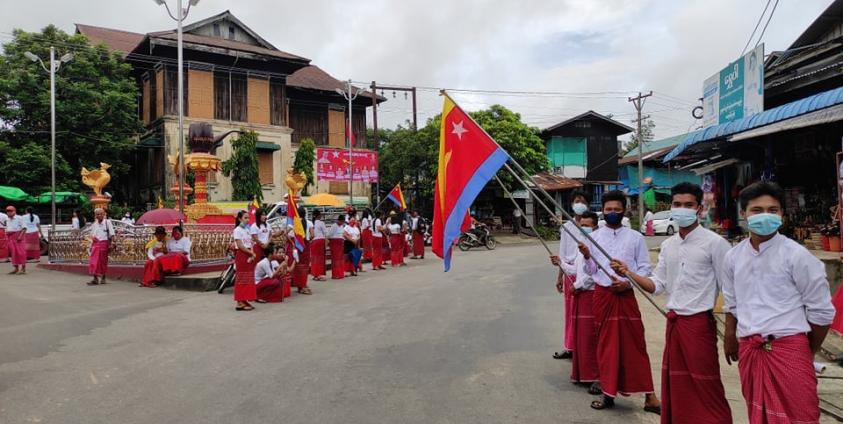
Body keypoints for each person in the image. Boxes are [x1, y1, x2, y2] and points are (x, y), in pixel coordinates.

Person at [611, 183, 732, 423]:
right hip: (674, 323)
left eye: (689, 205)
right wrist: (629, 273)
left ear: (699, 208)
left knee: (706, 383)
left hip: (699, 324)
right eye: (677, 205)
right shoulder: (668, 245)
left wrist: (731, 333)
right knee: (678, 384)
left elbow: (730, 291)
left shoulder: (715, 244)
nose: (682, 209)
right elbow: (657, 285)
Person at [722, 182, 835, 424]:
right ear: (743, 214)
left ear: (782, 214)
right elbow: (731, 301)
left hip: (789, 349)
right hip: (750, 350)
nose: (765, 216)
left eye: (772, 210)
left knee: (800, 416)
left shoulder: (798, 256)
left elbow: (822, 313)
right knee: (758, 415)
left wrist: (806, 351)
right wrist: (730, 334)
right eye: (756, 210)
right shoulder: (733, 257)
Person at [580, 190, 660, 413]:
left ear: (623, 210)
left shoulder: (635, 237)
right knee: (606, 345)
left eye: (616, 209)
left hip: (625, 296)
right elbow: (591, 270)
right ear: (602, 211)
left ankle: (650, 396)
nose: (612, 213)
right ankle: (608, 393)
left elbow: (645, 268)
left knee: (635, 344)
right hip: (603, 297)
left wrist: (629, 283)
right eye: (608, 210)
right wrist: (587, 256)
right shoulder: (594, 237)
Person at [550, 190, 590, 360]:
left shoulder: (594, 226)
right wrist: (560, 277)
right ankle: (570, 346)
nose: (579, 204)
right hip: (569, 272)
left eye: (582, 200)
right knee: (570, 312)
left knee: (585, 314)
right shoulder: (567, 227)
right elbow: (562, 253)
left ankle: (584, 348)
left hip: (587, 275)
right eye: (576, 201)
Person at [570, 211, 601, 394]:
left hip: (590, 294)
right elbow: (576, 268)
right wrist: (560, 264)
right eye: (582, 225)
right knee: (581, 336)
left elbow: (594, 273)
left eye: (588, 225)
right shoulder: (580, 245)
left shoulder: (597, 245)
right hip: (580, 294)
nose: (585, 228)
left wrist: (579, 285)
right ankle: (583, 374)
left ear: (595, 226)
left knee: (590, 337)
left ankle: (595, 375)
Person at [233, 210, 257, 311]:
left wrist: (252, 253)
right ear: (239, 219)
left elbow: (251, 243)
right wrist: (250, 253)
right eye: (245, 218)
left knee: (248, 278)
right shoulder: (237, 230)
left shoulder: (247, 230)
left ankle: (244, 299)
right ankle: (239, 301)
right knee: (242, 278)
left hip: (248, 255)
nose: (247, 220)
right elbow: (240, 245)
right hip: (242, 255)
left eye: (248, 218)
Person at [88, 208, 115, 285]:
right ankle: (95, 278)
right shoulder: (95, 223)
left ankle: (103, 277)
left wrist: (113, 243)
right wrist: (91, 245)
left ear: (104, 214)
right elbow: (93, 235)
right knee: (93, 261)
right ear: (95, 215)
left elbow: (112, 234)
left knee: (103, 261)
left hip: (104, 244)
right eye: (97, 214)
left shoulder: (107, 222)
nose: (99, 215)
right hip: (96, 244)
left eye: (100, 214)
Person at [293, 206, 313, 295]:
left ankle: (299, 286)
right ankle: (303, 285)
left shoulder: (295, 223)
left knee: (298, 266)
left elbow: (289, 234)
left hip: (298, 245)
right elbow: (312, 235)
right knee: (305, 267)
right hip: (306, 245)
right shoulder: (309, 222)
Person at [5, 206, 26, 274]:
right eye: (8, 211)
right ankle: (16, 268)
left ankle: (23, 268)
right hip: (10, 237)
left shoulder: (19, 218)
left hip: (18, 237)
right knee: (13, 253)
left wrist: (20, 236)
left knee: (21, 253)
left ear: (14, 211)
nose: (9, 212)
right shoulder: (7, 219)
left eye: (11, 211)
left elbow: (24, 228)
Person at [310, 210, 328, 281]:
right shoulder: (321, 223)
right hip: (320, 241)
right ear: (318, 215)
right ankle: (319, 274)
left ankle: (315, 274)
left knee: (314, 258)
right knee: (320, 258)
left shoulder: (311, 223)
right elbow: (326, 232)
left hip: (314, 241)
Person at [328, 215, 347, 279]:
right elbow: (329, 235)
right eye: (342, 222)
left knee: (340, 259)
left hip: (340, 243)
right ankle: (335, 274)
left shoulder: (342, 226)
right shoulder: (334, 226)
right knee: (335, 259)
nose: (342, 223)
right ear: (339, 220)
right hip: (335, 243)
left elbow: (342, 235)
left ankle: (340, 273)